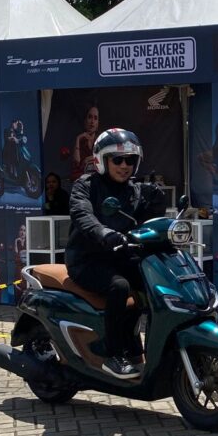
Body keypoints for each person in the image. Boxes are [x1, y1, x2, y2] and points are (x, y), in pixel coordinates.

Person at [66, 128, 166, 380]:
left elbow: (145, 223)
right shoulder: (86, 185)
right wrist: (102, 232)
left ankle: (141, 345)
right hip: (87, 260)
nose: (124, 166)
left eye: (130, 160)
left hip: (121, 256)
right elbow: (81, 213)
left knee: (157, 280)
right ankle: (111, 354)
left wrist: (157, 202)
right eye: (117, 159)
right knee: (119, 286)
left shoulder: (135, 190)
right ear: (102, 160)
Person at [72, 103, 100, 180]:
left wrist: (88, 159)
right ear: (85, 120)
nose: (92, 121)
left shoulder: (100, 141)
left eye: (95, 118)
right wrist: (78, 138)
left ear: (98, 123)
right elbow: (76, 162)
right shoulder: (79, 140)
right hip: (81, 179)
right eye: (90, 117)